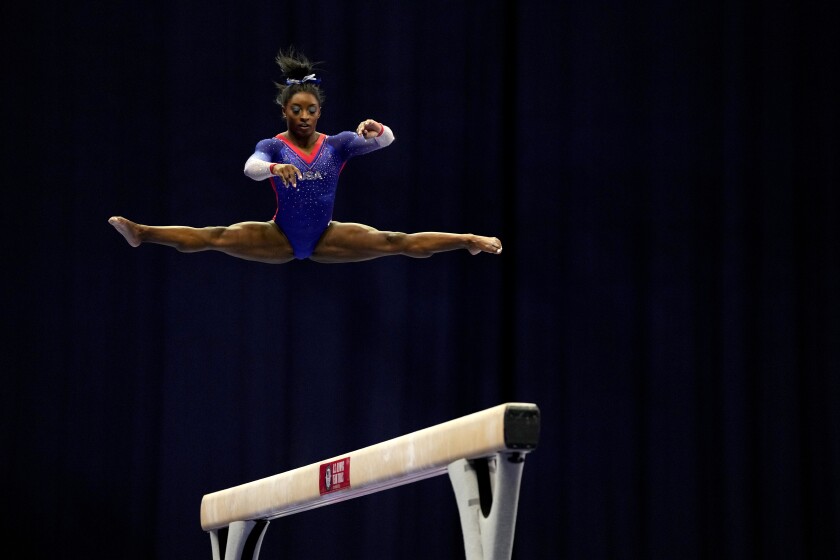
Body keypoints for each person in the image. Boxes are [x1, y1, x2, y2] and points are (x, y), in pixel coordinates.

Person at [109, 48, 502, 264]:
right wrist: (276, 168)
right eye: (295, 110)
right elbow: (250, 168)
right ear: (285, 112)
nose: (303, 116)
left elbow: (388, 142)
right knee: (215, 236)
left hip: (328, 237)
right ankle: (143, 234)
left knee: (394, 240)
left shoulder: (339, 144)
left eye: (310, 110)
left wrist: (376, 129)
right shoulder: (275, 145)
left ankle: (466, 239)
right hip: (279, 236)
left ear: (319, 112)